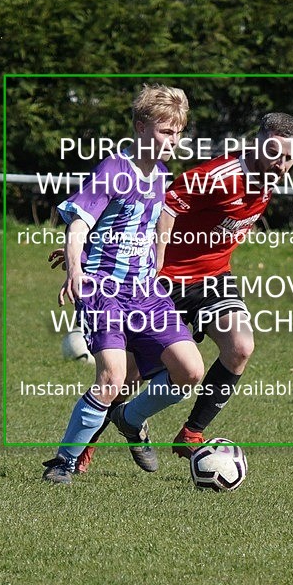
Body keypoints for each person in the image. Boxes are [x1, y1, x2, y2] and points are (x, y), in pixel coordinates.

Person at [71, 111, 293, 473]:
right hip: (164, 278)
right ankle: (88, 446)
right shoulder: (220, 175)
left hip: (212, 278)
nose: (282, 164)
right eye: (276, 153)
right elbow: (165, 204)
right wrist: (156, 260)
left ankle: (191, 433)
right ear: (257, 143)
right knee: (126, 376)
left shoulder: (268, 179)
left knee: (240, 347)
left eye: (290, 157)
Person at [42, 84, 204, 484]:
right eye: (166, 131)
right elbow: (79, 221)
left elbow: (141, 230)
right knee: (113, 377)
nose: (172, 141)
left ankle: (130, 419)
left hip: (145, 291)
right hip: (103, 289)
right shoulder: (114, 169)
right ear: (140, 127)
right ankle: (64, 462)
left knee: (190, 370)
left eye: (178, 132)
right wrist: (76, 268)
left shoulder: (162, 175)